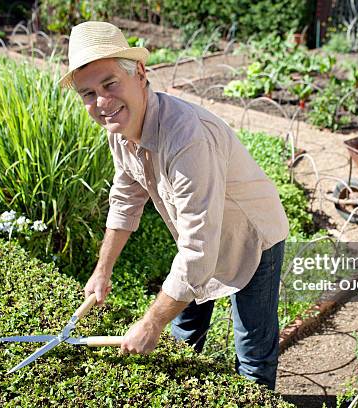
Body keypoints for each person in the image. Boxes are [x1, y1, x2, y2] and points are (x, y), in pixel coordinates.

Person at [59, 21, 289, 390]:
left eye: (110, 84)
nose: (101, 103)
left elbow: (200, 248)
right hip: (197, 237)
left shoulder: (187, 138)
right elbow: (125, 197)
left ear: (140, 74)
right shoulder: (119, 127)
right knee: (182, 331)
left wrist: (150, 322)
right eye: (88, 93)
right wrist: (102, 271)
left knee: (252, 348)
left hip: (250, 236)